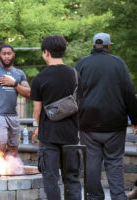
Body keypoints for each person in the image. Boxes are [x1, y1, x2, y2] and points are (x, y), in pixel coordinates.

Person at [75, 32, 137, 200]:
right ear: (109, 46)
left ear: (94, 46)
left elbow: (74, 93)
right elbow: (129, 92)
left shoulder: (81, 64)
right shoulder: (118, 63)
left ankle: (95, 197)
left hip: (88, 123)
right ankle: (118, 196)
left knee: (92, 162)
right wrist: (135, 119)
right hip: (115, 123)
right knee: (115, 161)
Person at [30, 35, 81, 200]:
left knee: (51, 180)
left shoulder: (39, 79)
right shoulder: (75, 74)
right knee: (72, 178)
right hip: (71, 135)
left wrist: (38, 127)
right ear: (63, 51)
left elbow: (37, 111)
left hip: (49, 137)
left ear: (46, 52)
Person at [0, 44, 30, 157]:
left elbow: (28, 93)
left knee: (13, 146)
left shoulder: (19, 73)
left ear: (13, 55)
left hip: (13, 115)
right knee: (0, 145)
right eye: (4, 54)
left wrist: (14, 84)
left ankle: (10, 170)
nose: (7, 56)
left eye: (9, 54)